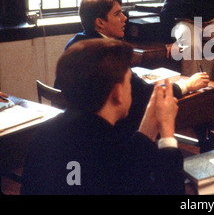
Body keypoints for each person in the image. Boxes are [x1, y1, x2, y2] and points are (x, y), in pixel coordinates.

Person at [21, 39, 185, 194]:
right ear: (118, 92)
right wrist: (167, 135)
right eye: (129, 82)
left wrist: (148, 129)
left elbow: (129, 166)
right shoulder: (111, 147)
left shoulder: (45, 132)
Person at [60, 0, 209, 137]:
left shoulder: (75, 44)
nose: (124, 18)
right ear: (99, 22)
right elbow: (147, 94)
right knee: (198, 103)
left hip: (79, 127)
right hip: (114, 134)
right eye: (117, 14)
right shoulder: (107, 52)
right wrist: (187, 85)